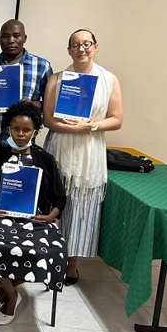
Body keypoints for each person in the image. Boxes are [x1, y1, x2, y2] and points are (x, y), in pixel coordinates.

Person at [0, 101, 68, 325]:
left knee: (40, 249)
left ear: (35, 131)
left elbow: (60, 197)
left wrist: (50, 216)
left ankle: (5, 290)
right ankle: (13, 295)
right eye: (16, 129)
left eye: (26, 130)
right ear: (8, 129)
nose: (21, 134)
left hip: (35, 219)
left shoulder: (45, 160)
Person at [43, 29, 122, 285]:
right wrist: (73, 128)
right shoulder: (57, 79)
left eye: (86, 43)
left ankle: (71, 265)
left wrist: (93, 126)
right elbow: (48, 120)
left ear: (95, 47)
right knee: (55, 201)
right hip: (61, 146)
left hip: (90, 150)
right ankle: (48, 258)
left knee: (81, 208)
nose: (81, 49)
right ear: (69, 50)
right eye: (75, 45)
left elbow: (117, 119)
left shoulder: (109, 80)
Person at [0, 19, 53, 199]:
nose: (11, 40)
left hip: (23, 146)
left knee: (19, 194)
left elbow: (48, 105)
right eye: (6, 36)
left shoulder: (42, 66)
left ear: (24, 38)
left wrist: (32, 105)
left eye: (16, 36)